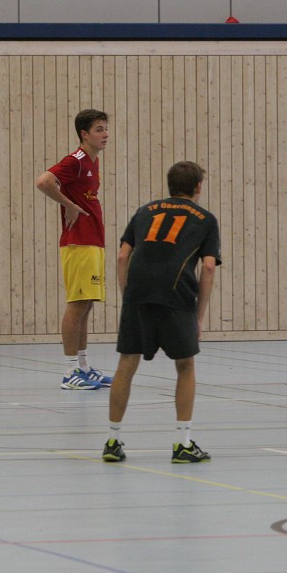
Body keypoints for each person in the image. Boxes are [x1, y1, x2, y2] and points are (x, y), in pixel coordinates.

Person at [102, 161, 220, 463]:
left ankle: (112, 441)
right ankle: (182, 443)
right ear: (197, 187)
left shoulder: (144, 211)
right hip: (176, 295)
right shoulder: (205, 219)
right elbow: (208, 267)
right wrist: (199, 316)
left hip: (138, 294)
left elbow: (122, 256)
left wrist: (128, 296)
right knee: (185, 366)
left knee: (127, 363)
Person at [35, 109, 112, 390]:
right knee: (77, 304)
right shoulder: (76, 160)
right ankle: (69, 373)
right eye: (99, 130)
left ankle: (83, 366)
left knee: (87, 304)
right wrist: (67, 204)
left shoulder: (94, 162)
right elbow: (44, 181)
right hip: (78, 241)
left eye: (106, 129)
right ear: (84, 134)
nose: (105, 134)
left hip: (93, 239)